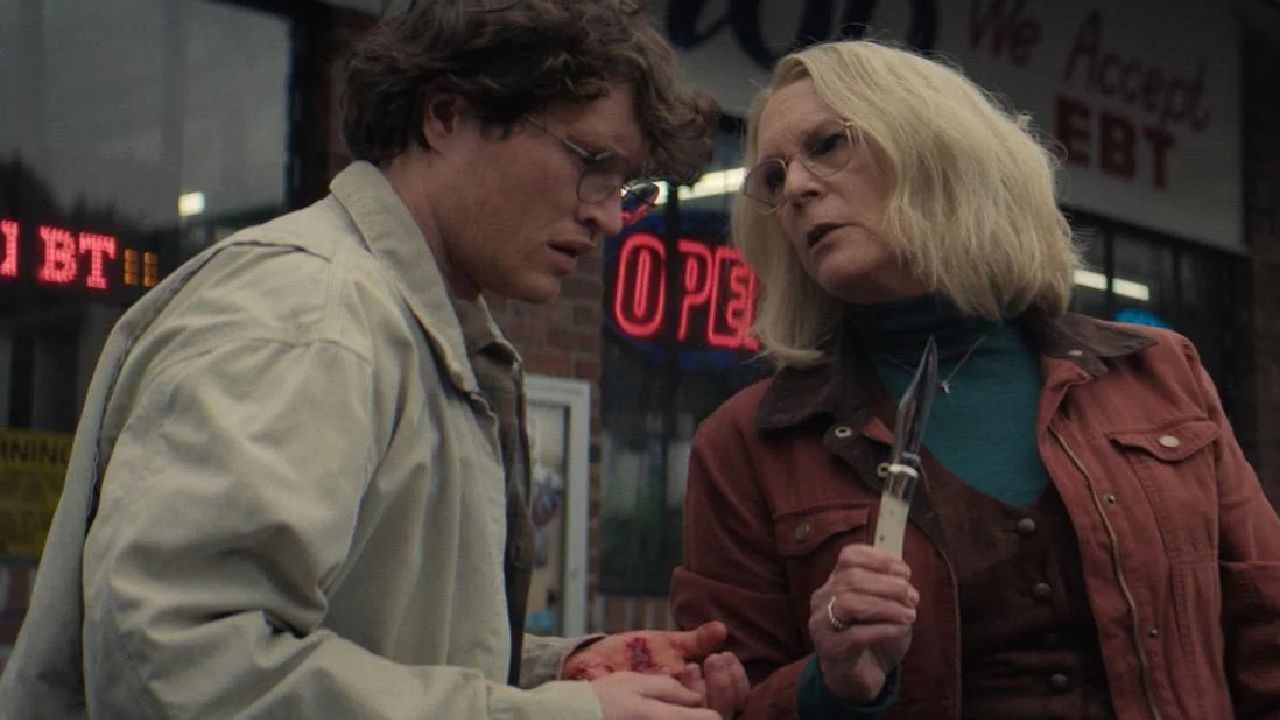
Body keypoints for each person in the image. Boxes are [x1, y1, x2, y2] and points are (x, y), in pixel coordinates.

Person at [0, 1, 751, 718]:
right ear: (445, 115)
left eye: (627, 186)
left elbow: (366, 645)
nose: (608, 215)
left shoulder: (408, 328)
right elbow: (179, 672)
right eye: (592, 162)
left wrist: (554, 675)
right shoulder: (311, 314)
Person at [669, 38, 1280, 720]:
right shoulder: (747, 445)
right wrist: (830, 685)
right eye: (773, 178)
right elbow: (720, 702)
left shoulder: (1157, 373)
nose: (796, 189)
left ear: (938, 151)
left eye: (829, 145)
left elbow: (1266, 629)